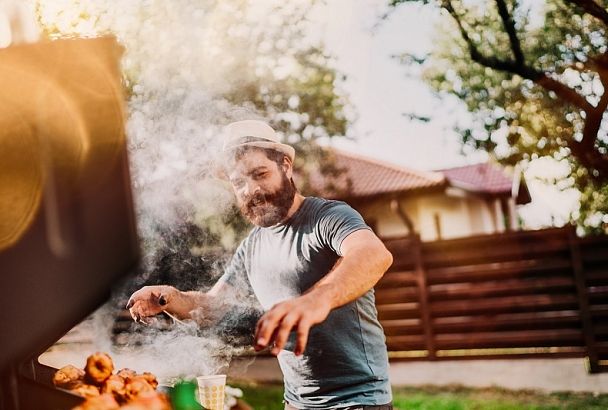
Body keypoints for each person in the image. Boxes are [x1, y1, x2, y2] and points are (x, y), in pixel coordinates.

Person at [127, 120, 394, 409]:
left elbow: (373, 254)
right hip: (295, 402)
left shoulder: (327, 217)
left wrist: (317, 300)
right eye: (239, 182)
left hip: (358, 401)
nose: (250, 190)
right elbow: (210, 311)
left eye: (260, 174)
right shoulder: (251, 246)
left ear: (286, 166)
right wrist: (170, 298)